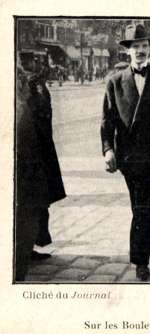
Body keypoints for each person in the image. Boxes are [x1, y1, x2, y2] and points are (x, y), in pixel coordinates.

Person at [101, 24, 150, 281]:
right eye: (136, 47)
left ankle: (140, 258)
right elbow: (107, 120)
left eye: (144, 46)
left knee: (142, 205)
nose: (141, 51)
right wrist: (108, 150)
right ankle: (141, 258)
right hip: (126, 156)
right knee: (141, 205)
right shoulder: (114, 82)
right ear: (128, 52)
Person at [20, 54, 67, 261]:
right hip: (31, 149)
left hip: (41, 148)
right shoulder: (28, 84)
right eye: (33, 62)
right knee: (32, 200)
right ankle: (24, 247)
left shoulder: (36, 82)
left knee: (39, 200)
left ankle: (28, 246)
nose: (38, 66)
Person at [15, 57, 50, 281]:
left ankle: (26, 252)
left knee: (33, 209)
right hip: (22, 162)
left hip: (33, 160)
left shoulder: (29, 93)